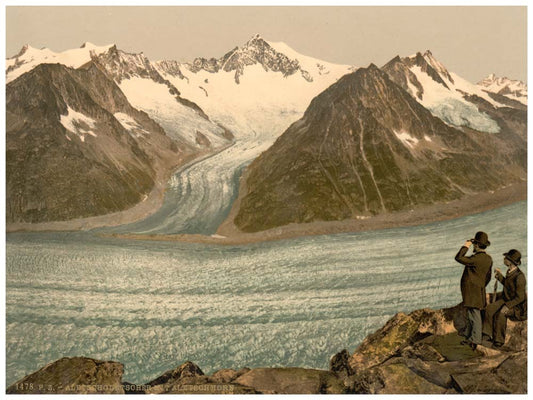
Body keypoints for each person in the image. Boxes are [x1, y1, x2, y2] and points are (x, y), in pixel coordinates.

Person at [454, 231, 493, 350]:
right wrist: (481, 285)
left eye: (474, 244)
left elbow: (458, 257)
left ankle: (475, 340)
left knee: (474, 315)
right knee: (472, 314)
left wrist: (466, 245)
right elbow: (488, 277)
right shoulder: (488, 259)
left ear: (476, 245)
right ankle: (471, 337)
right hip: (479, 290)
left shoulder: (475, 259)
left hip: (471, 292)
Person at [482, 249, 527, 348]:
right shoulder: (510, 272)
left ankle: (499, 341)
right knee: (490, 308)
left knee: (501, 314)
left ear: (510, 261)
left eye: (506, 258)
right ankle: (486, 334)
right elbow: (508, 285)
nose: (504, 259)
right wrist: (499, 276)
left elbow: (520, 298)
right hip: (506, 300)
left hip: (517, 306)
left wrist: (507, 306)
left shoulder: (520, 277)